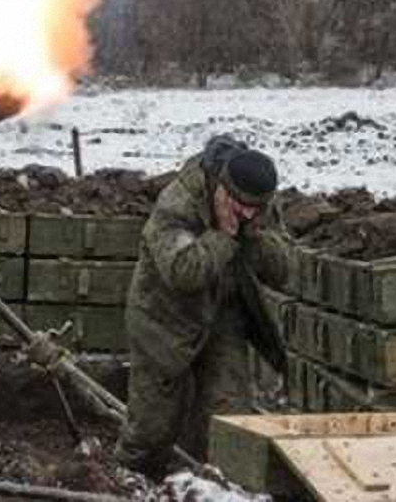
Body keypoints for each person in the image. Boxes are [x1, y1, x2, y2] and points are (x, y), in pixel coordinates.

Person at [115, 135, 279, 479]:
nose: (248, 214)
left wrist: (254, 238)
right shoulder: (177, 205)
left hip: (223, 317)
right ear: (221, 189)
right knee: (152, 426)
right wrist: (222, 237)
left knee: (229, 418)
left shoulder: (257, 206)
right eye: (240, 206)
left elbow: (285, 270)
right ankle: (132, 481)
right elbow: (183, 272)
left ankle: (222, 487)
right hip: (163, 322)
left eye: (256, 208)